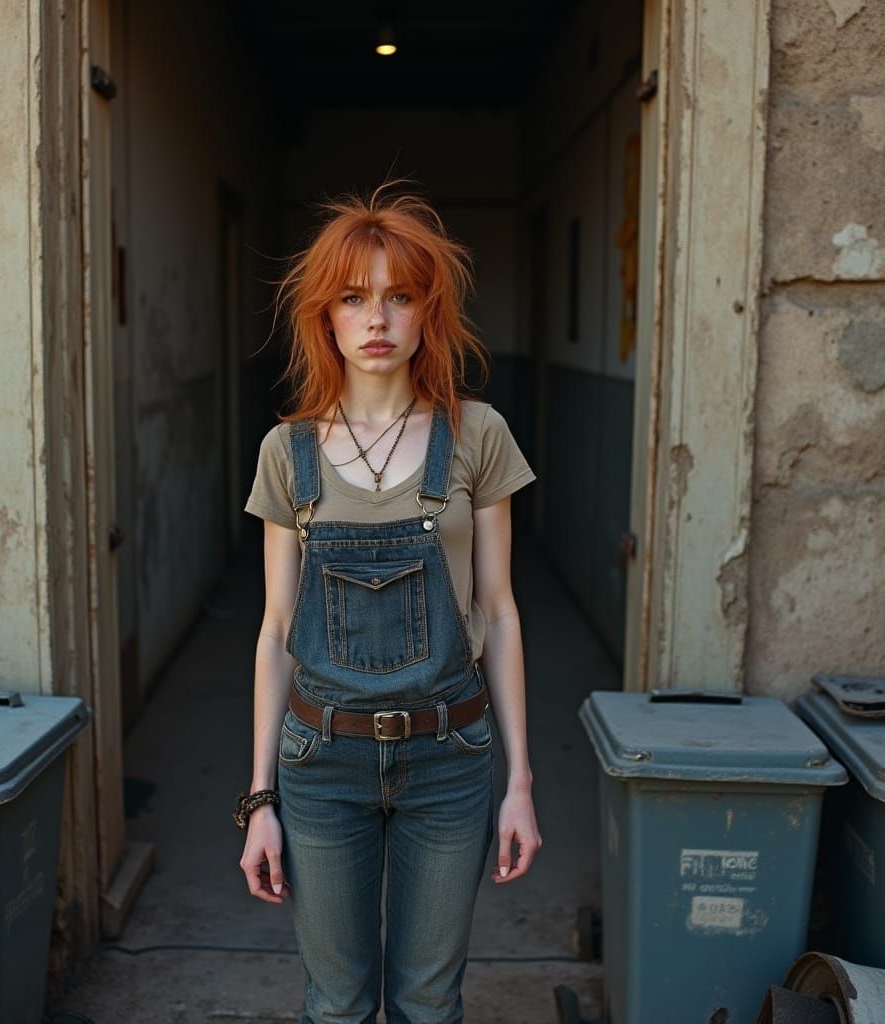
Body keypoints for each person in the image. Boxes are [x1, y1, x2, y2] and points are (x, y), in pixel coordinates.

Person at [237, 186, 542, 1024]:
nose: (378, 318)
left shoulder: (477, 434)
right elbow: (273, 634)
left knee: (428, 1001)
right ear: (325, 317)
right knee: (335, 1004)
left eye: (400, 296)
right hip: (320, 762)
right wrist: (259, 798)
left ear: (426, 312)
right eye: (354, 297)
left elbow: (502, 612)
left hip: (450, 757)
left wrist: (518, 783)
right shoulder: (286, 451)